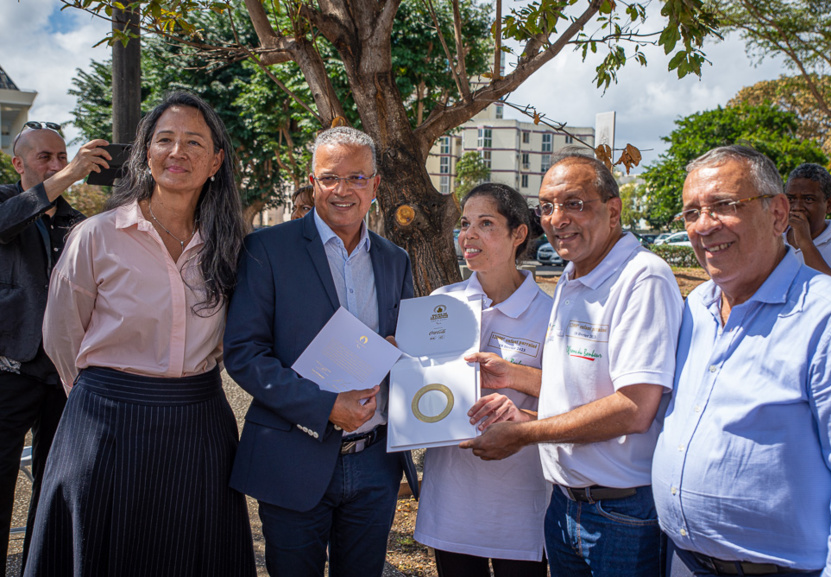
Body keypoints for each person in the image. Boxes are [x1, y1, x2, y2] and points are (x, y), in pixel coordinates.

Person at [24, 92, 256, 577]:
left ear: (216, 161)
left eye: (194, 141)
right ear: (146, 154)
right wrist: (102, 396)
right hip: (103, 426)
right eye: (165, 139)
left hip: (199, 426)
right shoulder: (96, 235)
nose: (178, 152)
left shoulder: (231, 247)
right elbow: (62, 335)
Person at [461, 154, 683, 577]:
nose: (558, 218)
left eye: (574, 203)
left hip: (620, 513)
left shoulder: (642, 278)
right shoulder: (572, 275)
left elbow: (635, 408)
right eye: (547, 206)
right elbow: (581, 389)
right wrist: (516, 377)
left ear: (613, 210)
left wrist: (524, 432)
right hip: (565, 506)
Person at [653, 145, 831, 576]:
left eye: (724, 206)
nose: (704, 226)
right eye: (691, 213)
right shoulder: (696, 309)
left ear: (778, 214)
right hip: (685, 562)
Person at [223, 126, 419, 577]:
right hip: (294, 454)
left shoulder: (395, 259)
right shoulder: (266, 249)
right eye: (330, 178)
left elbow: (410, 346)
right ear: (312, 183)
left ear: (376, 185)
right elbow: (244, 353)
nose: (343, 190)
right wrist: (325, 406)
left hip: (375, 461)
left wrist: (404, 352)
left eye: (357, 178)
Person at [413, 183, 551, 577]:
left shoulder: (550, 314)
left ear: (518, 234)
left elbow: (575, 396)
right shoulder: (442, 301)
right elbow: (422, 388)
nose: (468, 236)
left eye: (485, 223)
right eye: (465, 223)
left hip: (519, 500)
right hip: (453, 495)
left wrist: (520, 393)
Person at [0, 123, 109, 569]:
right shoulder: (6, 203)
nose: (58, 165)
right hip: (7, 368)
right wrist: (69, 176)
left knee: (54, 485)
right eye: (46, 157)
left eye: (63, 157)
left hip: (62, 373)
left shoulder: (77, 222)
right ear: (18, 162)